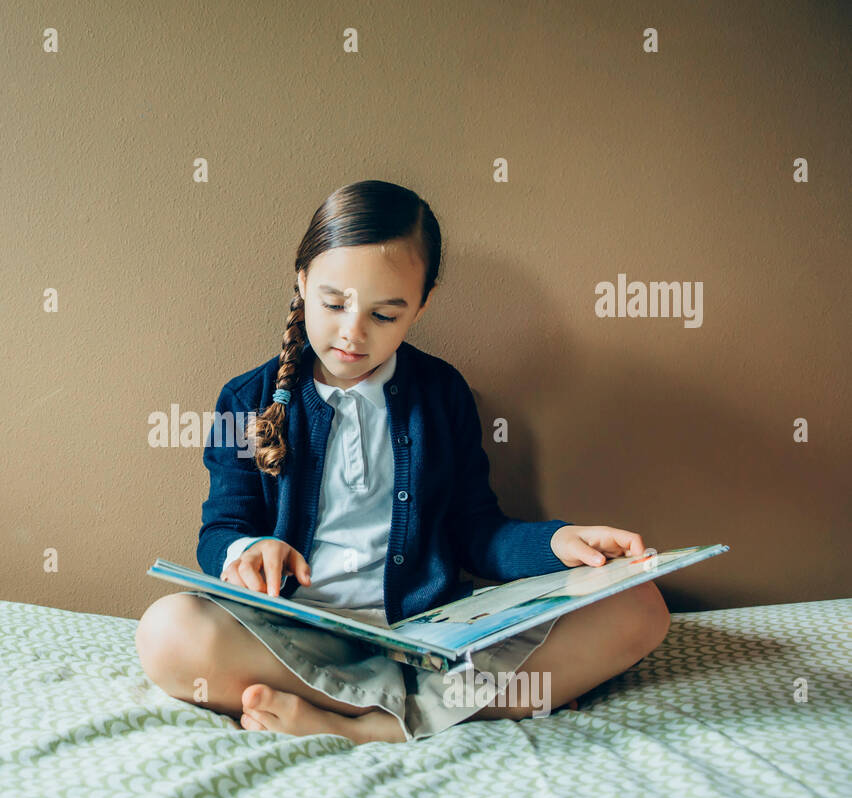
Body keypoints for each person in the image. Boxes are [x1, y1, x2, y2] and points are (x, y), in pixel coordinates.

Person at [135, 180, 670, 743]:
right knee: (168, 632)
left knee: (640, 606)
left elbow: (475, 533)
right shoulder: (245, 399)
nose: (352, 333)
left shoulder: (441, 393)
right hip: (292, 638)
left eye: (385, 314)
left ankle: (366, 724)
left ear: (421, 305)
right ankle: (435, 712)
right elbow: (220, 530)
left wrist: (556, 544)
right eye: (334, 303)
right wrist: (249, 550)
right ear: (302, 280)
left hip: (429, 638)